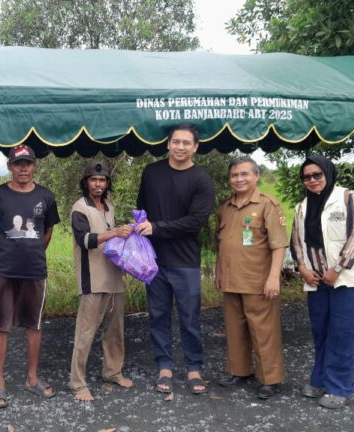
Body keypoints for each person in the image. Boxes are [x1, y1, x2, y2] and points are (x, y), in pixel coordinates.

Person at [290, 155, 354, 409]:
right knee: (321, 331)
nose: (313, 180)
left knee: (341, 331)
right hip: (316, 281)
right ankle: (320, 380)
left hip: (347, 279)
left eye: (317, 175)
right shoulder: (302, 207)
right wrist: (302, 269)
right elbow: (296, 242)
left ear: (328, 173)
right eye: (307, 177)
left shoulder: (349, 198)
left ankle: (340, 387)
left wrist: (338, 268)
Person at [136, 123, 216, 395]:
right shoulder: (151, 173)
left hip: (185, 262)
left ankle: (194, 367)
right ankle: (165, 366)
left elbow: (195, 222)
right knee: (158, 315)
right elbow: (142, 211)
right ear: (168, 144)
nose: (180, 146)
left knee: (190, 317)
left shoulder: (202, 179)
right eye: (176, 141)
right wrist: (139, 230)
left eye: (186, 143)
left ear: (195, 147)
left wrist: (157, 228)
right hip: (154, 261)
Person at [0, 144, 60, 408]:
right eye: (18, 164)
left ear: (35, 165)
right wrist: (9, 250)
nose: (23, 168)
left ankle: (31, 378)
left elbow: (47, 231)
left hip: (34, 270)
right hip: (3, 270)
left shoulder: (46, 196)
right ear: (9, 167)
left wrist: (32, 251)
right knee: (0, 326)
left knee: (34, 325)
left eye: (28, 163)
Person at [214, 157, 288, 400]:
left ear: (256, 176)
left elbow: (278, 245)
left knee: (263, 331)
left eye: (244, 174)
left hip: (258, 281)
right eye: (234, 175)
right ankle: (240, 371)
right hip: (231, 279)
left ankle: (270, 379)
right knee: (234, 329)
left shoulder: (267, 205)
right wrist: (218, 272)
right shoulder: (225, 207)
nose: (239, 179)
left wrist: (274, 277)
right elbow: (221, 244)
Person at [68, 161, 134, 402]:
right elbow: (85, 240)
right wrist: (116, 232)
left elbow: (112, 238)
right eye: (94, 180)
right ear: (86, 182)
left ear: (107, 183)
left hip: (114, 278)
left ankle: (112, 372)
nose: (98, 184)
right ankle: (77, 383)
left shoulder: (108, 205)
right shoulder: (80, 208)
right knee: (85, 333)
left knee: (115, 331)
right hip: (92, 281)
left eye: (103, 180)